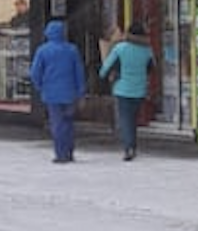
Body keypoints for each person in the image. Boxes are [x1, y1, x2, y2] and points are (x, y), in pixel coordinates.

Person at [27, 19, 87, 163]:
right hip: (70, 93)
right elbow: (79, 72)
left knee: (57, 123)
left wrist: (39, 86)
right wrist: (81, 92)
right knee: (68, 123)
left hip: (51, 93)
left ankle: (61, 154)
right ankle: (69, 151)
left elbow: (35, 72)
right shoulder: (72, 50)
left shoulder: (43, 50)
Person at [99, 22, 157, 161]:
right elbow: (152, 68)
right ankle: (133, 145)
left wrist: (104, 75)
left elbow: (106, 68)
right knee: (132, 119)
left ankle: (129, 148)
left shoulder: (120, 48)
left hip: (122, 89)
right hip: (139, 90)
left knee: (125, 120)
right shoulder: (147, 50)